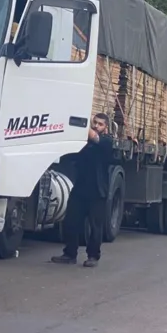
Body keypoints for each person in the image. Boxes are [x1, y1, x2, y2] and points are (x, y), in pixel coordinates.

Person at [51, 113, 114, 268]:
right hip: (80, 189)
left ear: (105, 127)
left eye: (100, 124)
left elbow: (94, 137)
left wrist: (81, 119)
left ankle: (93, 256)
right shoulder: (84, 142)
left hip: (97, 192)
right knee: (71, 222)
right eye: (95, 123)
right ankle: (70, 254)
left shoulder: (106, 141)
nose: (96, 126)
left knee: (95, 226)